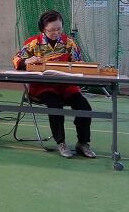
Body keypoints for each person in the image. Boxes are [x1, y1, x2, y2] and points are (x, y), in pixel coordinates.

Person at [12, 9, 96, 159]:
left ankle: (83, 143)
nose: (56, 33)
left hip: (67, 86)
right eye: (52, 30)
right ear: (43, 29)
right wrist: (26, 61)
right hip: (43, 87)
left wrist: (77, 66)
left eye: (59, 29)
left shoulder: (69, 43)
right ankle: (61, 142)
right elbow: (16, 60)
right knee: (54, 104)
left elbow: (79, 63)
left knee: (84, 106)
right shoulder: (33, 43)